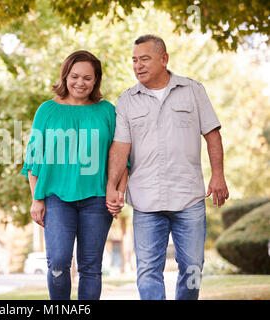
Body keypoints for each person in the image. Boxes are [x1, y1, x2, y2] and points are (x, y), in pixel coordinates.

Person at [106, 34, 229, 300]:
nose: (138, 66)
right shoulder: (127, 100)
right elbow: (120, 147)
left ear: (164, 59)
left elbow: (212, 134)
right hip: (146, 199)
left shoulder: (193, 90)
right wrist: (112, 187)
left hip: (189, 197)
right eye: (134, 60)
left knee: (193, 267)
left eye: (145, 59)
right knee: (148, 270)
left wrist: (218, 175)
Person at [21, 50, 128, 300]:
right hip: (56, 197)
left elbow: (123, 157)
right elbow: (33, 158)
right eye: (75, 76)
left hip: (97, 198)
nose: (80, 83)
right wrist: (36, 199)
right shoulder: (47, 110)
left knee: (90, 268)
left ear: (96, 80)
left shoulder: (107, 112)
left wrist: (118, 192)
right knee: (58, 263)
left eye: (88, 78)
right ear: (65, 76)